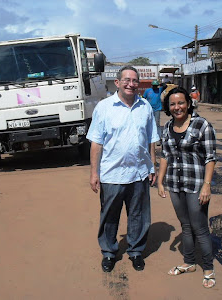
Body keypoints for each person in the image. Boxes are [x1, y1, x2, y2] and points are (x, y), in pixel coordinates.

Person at [86, 66, 159, 273]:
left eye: (135, 80)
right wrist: (94, 173)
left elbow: (152, 139)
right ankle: (109, 253)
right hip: (112, 174)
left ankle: (136, 251)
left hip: (139, 173)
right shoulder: (104, 107)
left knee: (138, 215)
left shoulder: (145, 106)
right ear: (117, 82)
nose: (131, 84)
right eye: (126, 80)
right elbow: (96, 143)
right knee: (110, 216)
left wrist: (151, 166)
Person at [157, 86, 217, 289]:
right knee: (185, 226)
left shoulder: (202, 125)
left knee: (199, 227)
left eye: (181, 102)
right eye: (172, 104)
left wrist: (207, 185)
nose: (177, 107)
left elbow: (210, 158)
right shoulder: (167, 127)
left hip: (196, 185)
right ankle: (189, 262)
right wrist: (160, 180)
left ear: (188, 103)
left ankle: (208, 269)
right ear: (168, 107)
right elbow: (165, 155)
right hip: (175, 183)